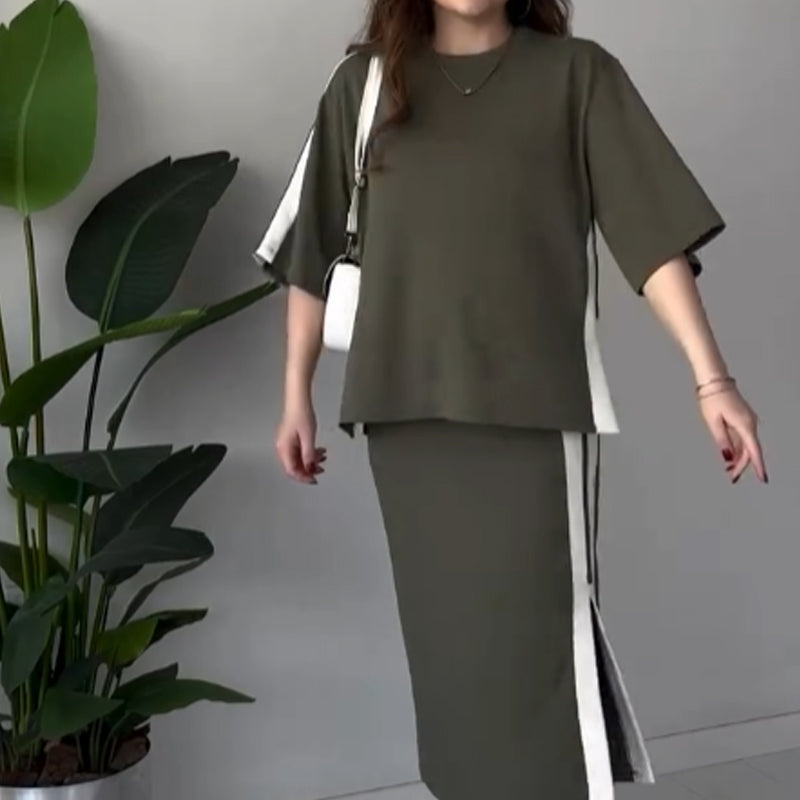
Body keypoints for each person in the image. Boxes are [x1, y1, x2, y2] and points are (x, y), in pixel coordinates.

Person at [257, 1, 768, 798]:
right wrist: (296, 394)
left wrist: (713, 379)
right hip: (406, 419)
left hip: (535, 414)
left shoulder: (577, 76)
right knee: (448, 656)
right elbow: (311, 253)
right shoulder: (363, 85)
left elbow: (650, 238)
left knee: (540, 651)